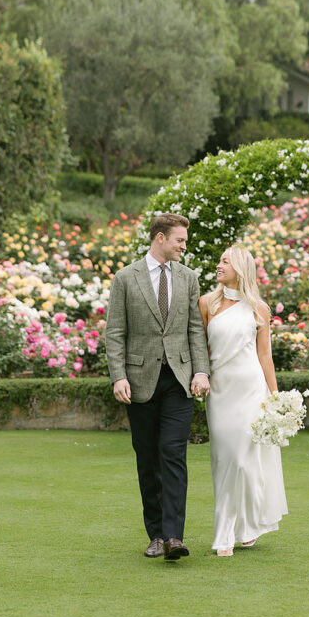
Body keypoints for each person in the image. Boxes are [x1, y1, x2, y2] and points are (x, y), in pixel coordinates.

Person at [105, 212, 210, 561]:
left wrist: (201, 371)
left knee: (173, 455)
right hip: (139, 383)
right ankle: (155, 534)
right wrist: (118, 375)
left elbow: (195, 329)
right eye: (180, 239)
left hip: (179, 381)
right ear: (160, 237)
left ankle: (173, 537)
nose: (184, 245)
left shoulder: (189, 278)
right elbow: (115, 332)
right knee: (148, 458)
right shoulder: (125, 278)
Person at [199, 244, 288, 556]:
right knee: (225, 459)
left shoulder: (258, 309)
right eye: (220, 260)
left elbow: (264, 355)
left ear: (241, 269)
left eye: (226, 261)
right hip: (221, 392)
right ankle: (226, 529)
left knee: (246, 461)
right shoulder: (206, 303)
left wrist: (275, 397)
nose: (219, 265)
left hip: (252, 390)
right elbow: (202, 351)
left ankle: (244, 529)